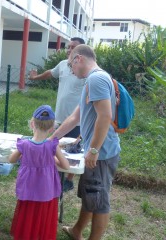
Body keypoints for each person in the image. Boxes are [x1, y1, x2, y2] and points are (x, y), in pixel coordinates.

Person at [50, 44, 121, 240]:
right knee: (91, 194)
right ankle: (76, 231)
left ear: (79, 58)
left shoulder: (96, 79)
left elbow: (105, 116)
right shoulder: (93, 80)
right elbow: (76, 117)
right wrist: (52, 138)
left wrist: (94, 149)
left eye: (71, 64)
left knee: (99, 200)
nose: (71, 71)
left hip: (102, 153)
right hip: (98, 150)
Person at [28, 37, 86, 192]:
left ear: (80, 51)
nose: (69, 49)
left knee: (74, 150)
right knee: (55, 148)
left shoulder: (84, 70)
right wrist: (35, 77)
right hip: (59, 118)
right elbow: (50, 73)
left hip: (77, 121)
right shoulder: (62, 65)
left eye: (73, 47)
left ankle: (68, 179)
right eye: (68, 46)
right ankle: (53, 174)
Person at [8, 105, 70, 240]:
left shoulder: (24, 144)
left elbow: (11, 159)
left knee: (28, 215)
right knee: (43, 216)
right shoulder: (52, 145)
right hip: (46, 191)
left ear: (32, 124)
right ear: (52, 128)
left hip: (28, 190)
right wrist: (52, 158)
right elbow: (65, 165)